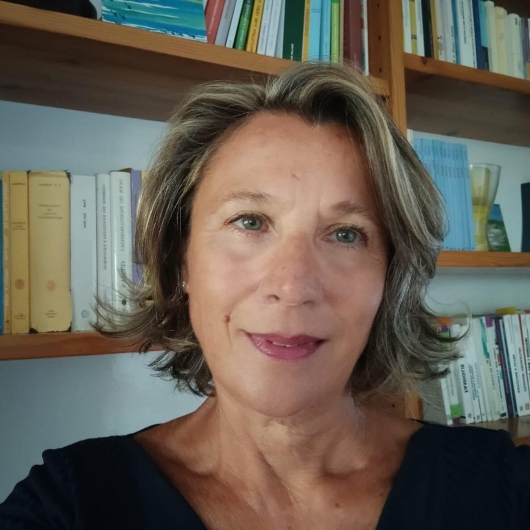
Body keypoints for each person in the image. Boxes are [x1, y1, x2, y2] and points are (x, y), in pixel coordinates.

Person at [1, 61, 529, 530]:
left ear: (390, 277)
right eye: (249, 221)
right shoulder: (70, 505)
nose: (292, 286)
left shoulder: (504, 487)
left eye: (346, 234)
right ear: (180, 260)